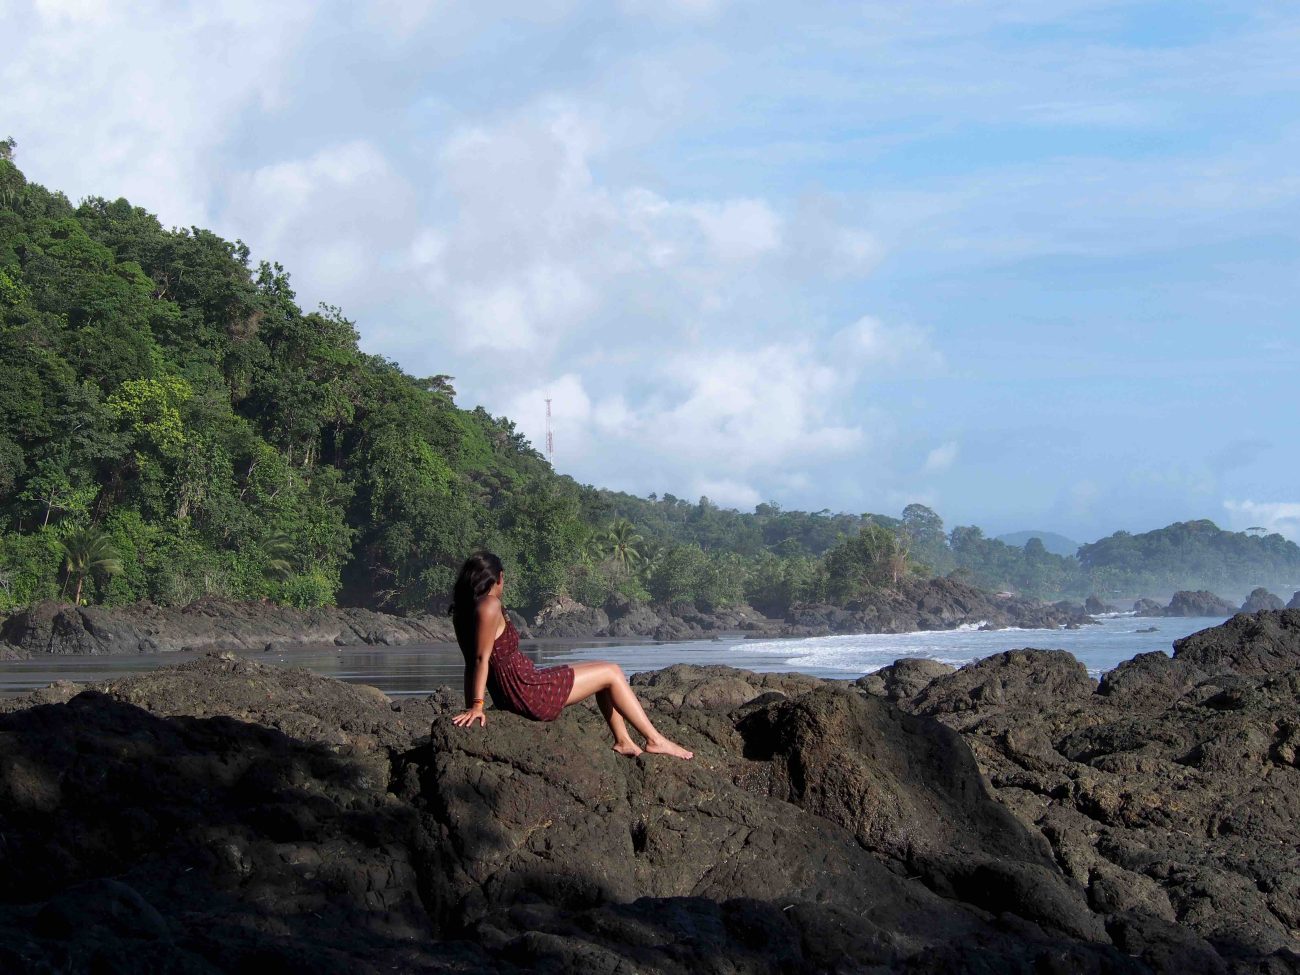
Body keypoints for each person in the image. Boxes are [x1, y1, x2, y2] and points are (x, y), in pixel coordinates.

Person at [449, 552, 693, 760]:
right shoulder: (490, 605)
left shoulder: (462, 612)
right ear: (499, 577)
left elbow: (470, 664)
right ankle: (654, 739)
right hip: (528, 691)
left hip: (519, 688)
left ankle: (624, 741)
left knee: (604, 668)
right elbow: (481, 659)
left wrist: (472, 705)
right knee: (612, 672)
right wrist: (477, 707)